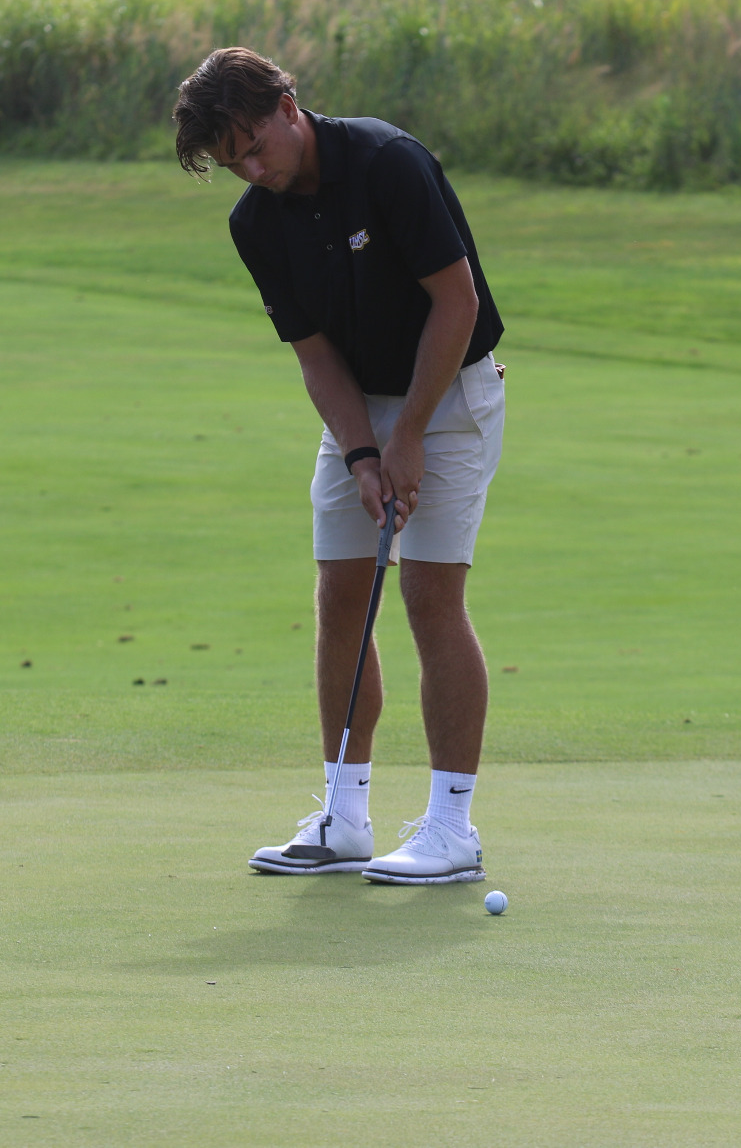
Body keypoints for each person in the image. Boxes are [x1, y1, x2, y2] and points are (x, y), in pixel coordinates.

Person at [171, 47, 506, 883]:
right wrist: (363, 450)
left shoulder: (386, 162)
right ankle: (344, 815)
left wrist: (410, 433)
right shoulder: (255, 221)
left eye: (255, 146)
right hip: (358, 402)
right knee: (342, 596)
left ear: (289, 104)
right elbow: (316, 354)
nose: (253, 169)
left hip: (450, 390)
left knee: (430, 594)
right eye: (232, 162)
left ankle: (451, 828)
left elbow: (455, 301)